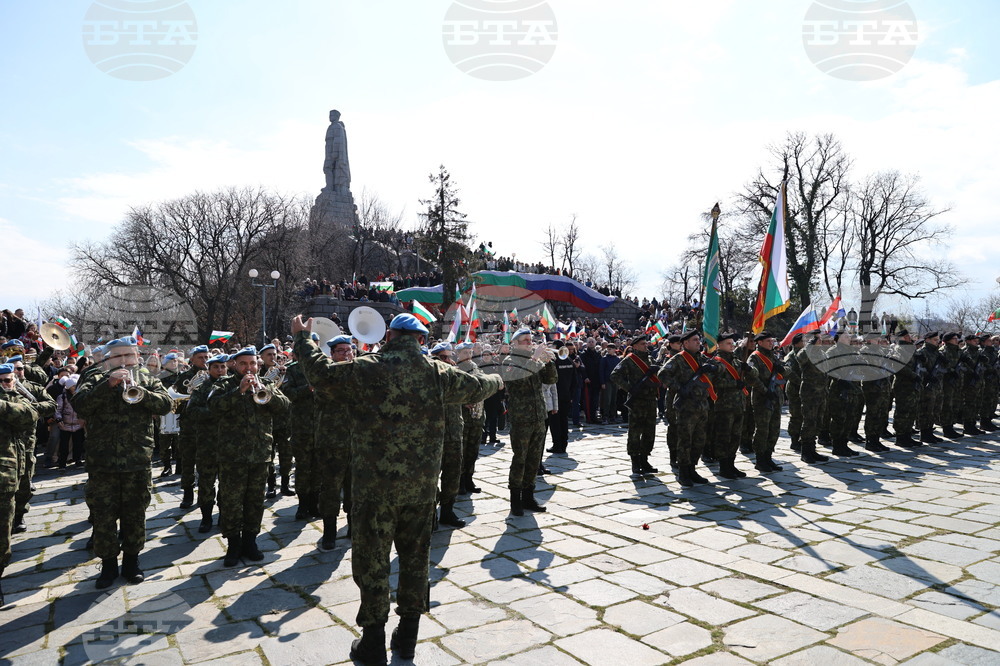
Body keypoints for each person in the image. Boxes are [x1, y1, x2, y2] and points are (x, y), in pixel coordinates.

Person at [292, 313, 501, 664]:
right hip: (420, 491)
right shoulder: (439, 372)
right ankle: (407, 638)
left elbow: (321, 375)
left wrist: (302, 338)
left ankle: (372, 642)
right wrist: (497, 374)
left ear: (389, 335)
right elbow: (480, 387)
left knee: (372, 561)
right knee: (416, 559)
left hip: (373, 489)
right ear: (421, 339)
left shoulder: (366, 367)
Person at [72, 337, 172, 588]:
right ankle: (107, 566)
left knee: (135, 513)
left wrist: (143, 393)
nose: (125, 360)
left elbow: (166, 405)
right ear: (107, 360)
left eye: (130, 355)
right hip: (102, 461)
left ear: (137, 357)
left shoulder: (147, 379)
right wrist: (108, 385)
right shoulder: (93, 378)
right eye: (119, 356)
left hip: (137, 459)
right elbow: (80, 406)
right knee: (104, 515)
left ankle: (132, 562)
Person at [208, 346, 290, 566]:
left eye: (252, 363)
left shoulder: (267, 383)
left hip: (260, 453)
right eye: (243, 363)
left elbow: (285, 406)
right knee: (231, 501)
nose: (248, 367)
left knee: (255, 501)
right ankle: (233, 543)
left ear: (258, 364)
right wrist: (239, 392)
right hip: (231, 455)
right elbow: (213, 407)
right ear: (234, 364)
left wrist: (267, 392)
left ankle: (251, 541)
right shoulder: (223, 384)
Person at [501, 329, 558, 516]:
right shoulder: (509, 361)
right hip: (521, 418)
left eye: (530, 340)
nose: (529, 343)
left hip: (538, 416)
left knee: (534, 459)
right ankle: (515, 500)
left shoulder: (535, 360)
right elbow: (520, 381)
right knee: (520, 459)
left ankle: (528, 496)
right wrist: (535, 358)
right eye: (525, 340)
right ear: (515, 343)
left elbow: (551, 379)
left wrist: (548, 362)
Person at [657, 330, 718, 487]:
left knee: (699, 440)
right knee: (685, 440)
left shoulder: (700, 358)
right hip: (686, 406)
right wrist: (679, 388)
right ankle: (683, 472)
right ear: (685, 343)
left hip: (702, 405)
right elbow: (662, 374)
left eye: (699, 340)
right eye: (695, 340)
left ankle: (692, 469)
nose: (699, 342)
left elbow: (718, 366)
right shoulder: (678, 359)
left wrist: (712, 368)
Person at [0, 362, 39, 606]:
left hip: (4, 476)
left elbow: (30, 415)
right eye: (3, 381)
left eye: (9, 379)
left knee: (2, 533)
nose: (8, 383)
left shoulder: (17, 397)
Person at [315, 335, 355, 550]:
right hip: (331, 442)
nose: (346, 354)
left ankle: (352, 526)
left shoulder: (359, 373)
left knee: (354, 489)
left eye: (349, 350)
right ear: (331, 354)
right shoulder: (325, 375)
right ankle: (329, 531)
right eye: (341, 350)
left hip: (355, 442)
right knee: (330, 489)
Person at [186, 354, 228, 533]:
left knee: (227, 484)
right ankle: (206, 517)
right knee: (206, 482)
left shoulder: (231, 386)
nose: (220, 370)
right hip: (207, 443)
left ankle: (225, 516)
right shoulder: (202, 388)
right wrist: (213, 412)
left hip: (229, 444)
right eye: (216, 367)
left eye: (223, 367)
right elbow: (192, 411)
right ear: (209, 369)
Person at [610, 335, 660, 476]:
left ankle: (644, 459)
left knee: (649, 432)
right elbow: (615, 375)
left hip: (650, 400)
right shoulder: (630, 360)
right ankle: (635, 461)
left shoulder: (649, 359)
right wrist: (630, 388)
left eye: (646, 343)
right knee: (635, 432)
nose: (646, 346)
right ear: (635, 346)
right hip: (637, 401)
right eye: (643, 344)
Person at [709, 333, 753, 479]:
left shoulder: (736, 361)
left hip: (738, 405)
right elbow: (714, 383)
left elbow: (754, 374)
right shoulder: (716, 362)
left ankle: (731, 464)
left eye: (733, 343)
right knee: (724, 436)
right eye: (728, 343)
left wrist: (749, 369)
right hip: (724, 406)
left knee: (735, 436)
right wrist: (734, 384)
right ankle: (723, 467)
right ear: (719, 345)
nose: (732, 346)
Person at [171, 345, 211, 508]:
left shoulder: (213, 375)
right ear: (192, 359)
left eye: (206, 357)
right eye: (201, 357)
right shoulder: (185, 377)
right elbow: (177, 401)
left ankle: (205, 494)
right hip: (189, 425)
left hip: (208, 425)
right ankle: (187, 493)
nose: (205, 360)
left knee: (206, 463)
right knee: (188, 460)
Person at [746, 333, 787, 472]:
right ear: (760, 342)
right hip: (762, 399)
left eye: (772, 340)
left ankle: (768, 457)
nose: (771, 343)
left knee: (774, 429)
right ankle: (760, 459)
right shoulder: (755, 357)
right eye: (768, 341)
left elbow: (787, 369)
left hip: (775, 397)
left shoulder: (773, 356)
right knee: (763, 430)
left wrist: (782, 369)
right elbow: (752, 377)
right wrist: (764, 390)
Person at [55, 375, 85, 467]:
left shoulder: (81, 395)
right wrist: (58, 419)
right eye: (73, 386)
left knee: (78, 444)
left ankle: (78, 460)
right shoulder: (62, 397)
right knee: (64, 445)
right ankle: (62, 462)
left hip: (78, 424)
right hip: (65, 424)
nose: (75, 388)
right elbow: (58, 409)